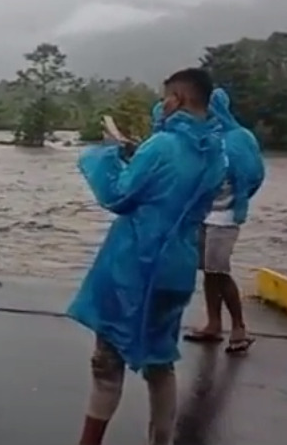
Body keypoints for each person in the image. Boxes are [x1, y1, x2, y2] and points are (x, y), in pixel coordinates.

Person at [69, 67, 226, 445]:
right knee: (161, 360)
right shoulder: (216, 156)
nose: (162, 104)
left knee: (107, 360)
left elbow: (119, 195)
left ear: (180, 99)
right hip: (178, 267)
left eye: (166, 96)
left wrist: (107, 152)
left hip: (135, 265)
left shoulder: (161, 146)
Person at [183, 88, 265, 354]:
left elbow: (254, 175)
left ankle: (240, 328)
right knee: (209, 271)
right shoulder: (204, 136)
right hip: (204, 215)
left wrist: (237, 199)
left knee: (219, 270)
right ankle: (213, 324)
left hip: (226, 217)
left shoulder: (239, 138)